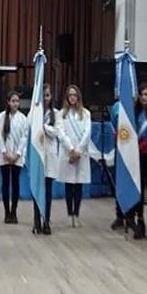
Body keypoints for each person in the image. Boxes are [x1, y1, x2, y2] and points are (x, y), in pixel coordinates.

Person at [110, 83, 147, 240]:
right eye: (141, 94)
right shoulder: (134, 112)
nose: (144, 97)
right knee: (138, 190)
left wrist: (137, 147)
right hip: (136, 157)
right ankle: (140, 222)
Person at [32, 84, 66, 235]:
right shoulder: (34, 113)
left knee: (47, 190)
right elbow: (29, 129)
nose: (45, 98)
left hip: (50, 155)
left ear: (51, 97)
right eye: (43, 95)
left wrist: (43, 126)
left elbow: (56, 132)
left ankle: (46, 220)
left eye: (47, 95)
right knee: (36, 188)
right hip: (37, 155)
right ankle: (36, 221)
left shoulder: (56, 114)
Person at [59, 84, 91, 228]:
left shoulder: (85, 113)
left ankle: (76, 214)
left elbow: (87, 133)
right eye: (70, 95)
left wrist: (78, 151)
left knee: (78, 185)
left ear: (78, 97)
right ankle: (69, 214)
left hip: (81, 154)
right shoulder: (62, 114)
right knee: (68, 184)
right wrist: (71, 150)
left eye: (74, 95)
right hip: (68, 154)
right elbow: (61, 133)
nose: (72, 97)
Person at [0, 91, 28, 224]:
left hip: (16, 156)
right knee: (5, 183)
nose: (15, 104)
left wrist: (17, 154)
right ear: (8, 102)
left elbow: (24, 137)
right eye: (13, 101)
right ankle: (6, 212)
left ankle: (14, 211)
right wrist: (5, 152)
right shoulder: (2, 116)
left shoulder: (23, 118)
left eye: (17, 101)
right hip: (5, 155)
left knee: (15, 184)